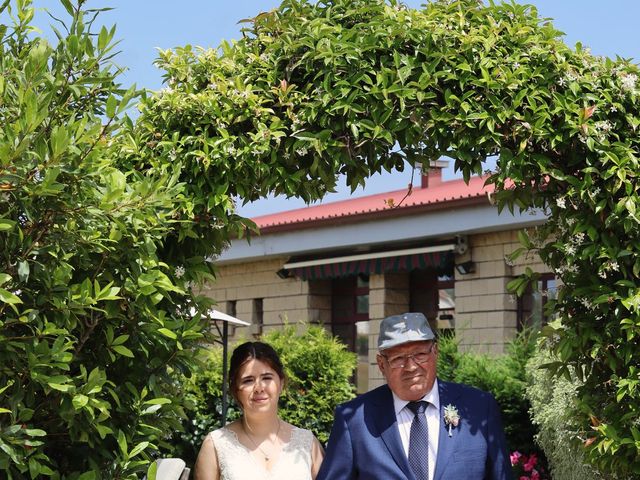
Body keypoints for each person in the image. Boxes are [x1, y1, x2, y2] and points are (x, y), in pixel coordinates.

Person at [317, 312, 512, 480]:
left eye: (420, 354)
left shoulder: (478, 408)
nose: (411, 367)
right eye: (398, 358)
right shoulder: (354, 420)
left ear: (435, 352)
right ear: (381, 364)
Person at [194, 341, 324, 480]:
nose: (259, 388)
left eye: (267, 378)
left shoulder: (307, 443)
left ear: (281, 383)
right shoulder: (215, 445)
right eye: (248, 380)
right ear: (235, 389)